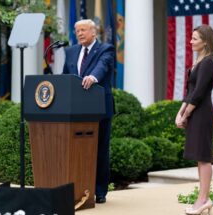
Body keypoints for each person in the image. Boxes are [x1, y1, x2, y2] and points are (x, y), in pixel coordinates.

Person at [63, 19, 115, 204]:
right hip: (74, 111)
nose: (79, 33)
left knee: (99, 150)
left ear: (94, 32)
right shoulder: (70, 52)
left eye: (83, 30)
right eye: (77, 30)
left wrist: (93, 77)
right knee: (77, 151)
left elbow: (103, 66)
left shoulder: (105, 49)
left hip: (99, 109)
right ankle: (77, 188)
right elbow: (65, 78)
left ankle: (99, 191)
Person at [175, 25, 213, 215]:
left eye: (195, 39)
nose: (191, 42)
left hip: (202, 113)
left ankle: (203, 200)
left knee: (204, 156)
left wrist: (187, 114)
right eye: (191, 38)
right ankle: (203, 198)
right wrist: (180, 111)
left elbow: (199, 93)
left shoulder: (209, 62)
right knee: (200, 157)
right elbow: (190, 91)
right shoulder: (199, 61)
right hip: (195, 111)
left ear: (205, 41)